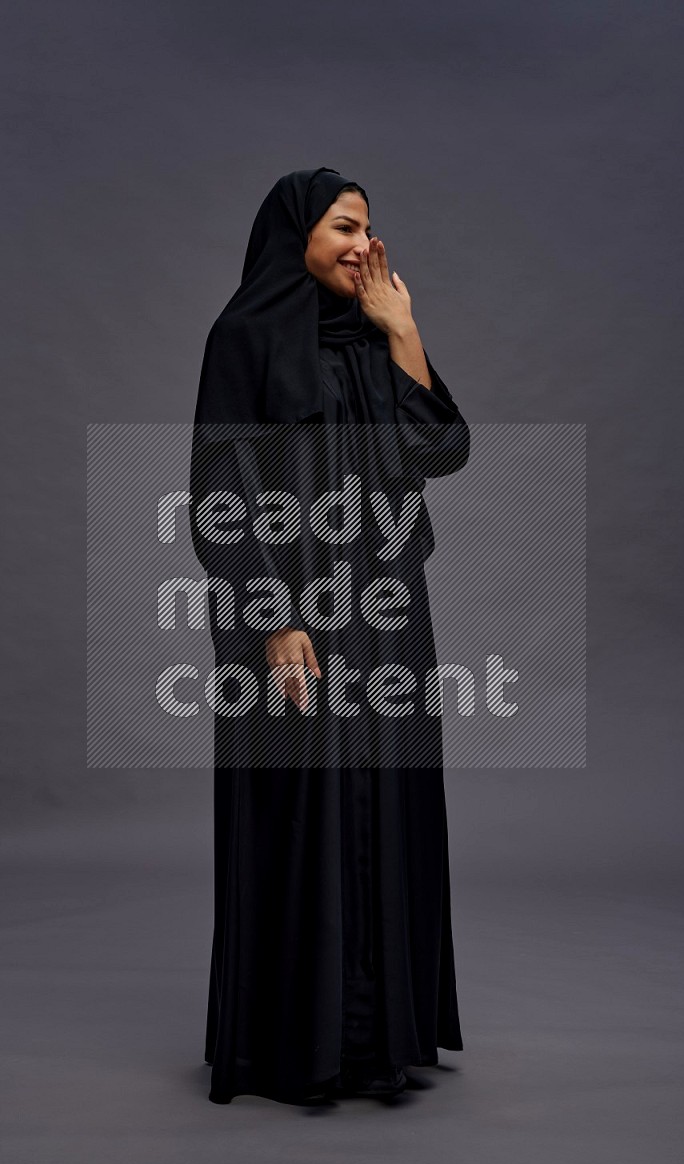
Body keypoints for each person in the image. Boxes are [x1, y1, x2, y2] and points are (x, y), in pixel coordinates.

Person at [189, 167, 470, 1105]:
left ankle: (376, 1036)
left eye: (370, 230)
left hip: (388, 614)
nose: (363, 245)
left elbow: (440, 452)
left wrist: (405, 333)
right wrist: (272, 619)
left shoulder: (371, 343)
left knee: (386, 802)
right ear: (297, 234)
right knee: (299, 810)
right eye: (345, 227)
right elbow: (219, 497)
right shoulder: (243, 338)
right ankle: (294, 1043)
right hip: (291, 612)